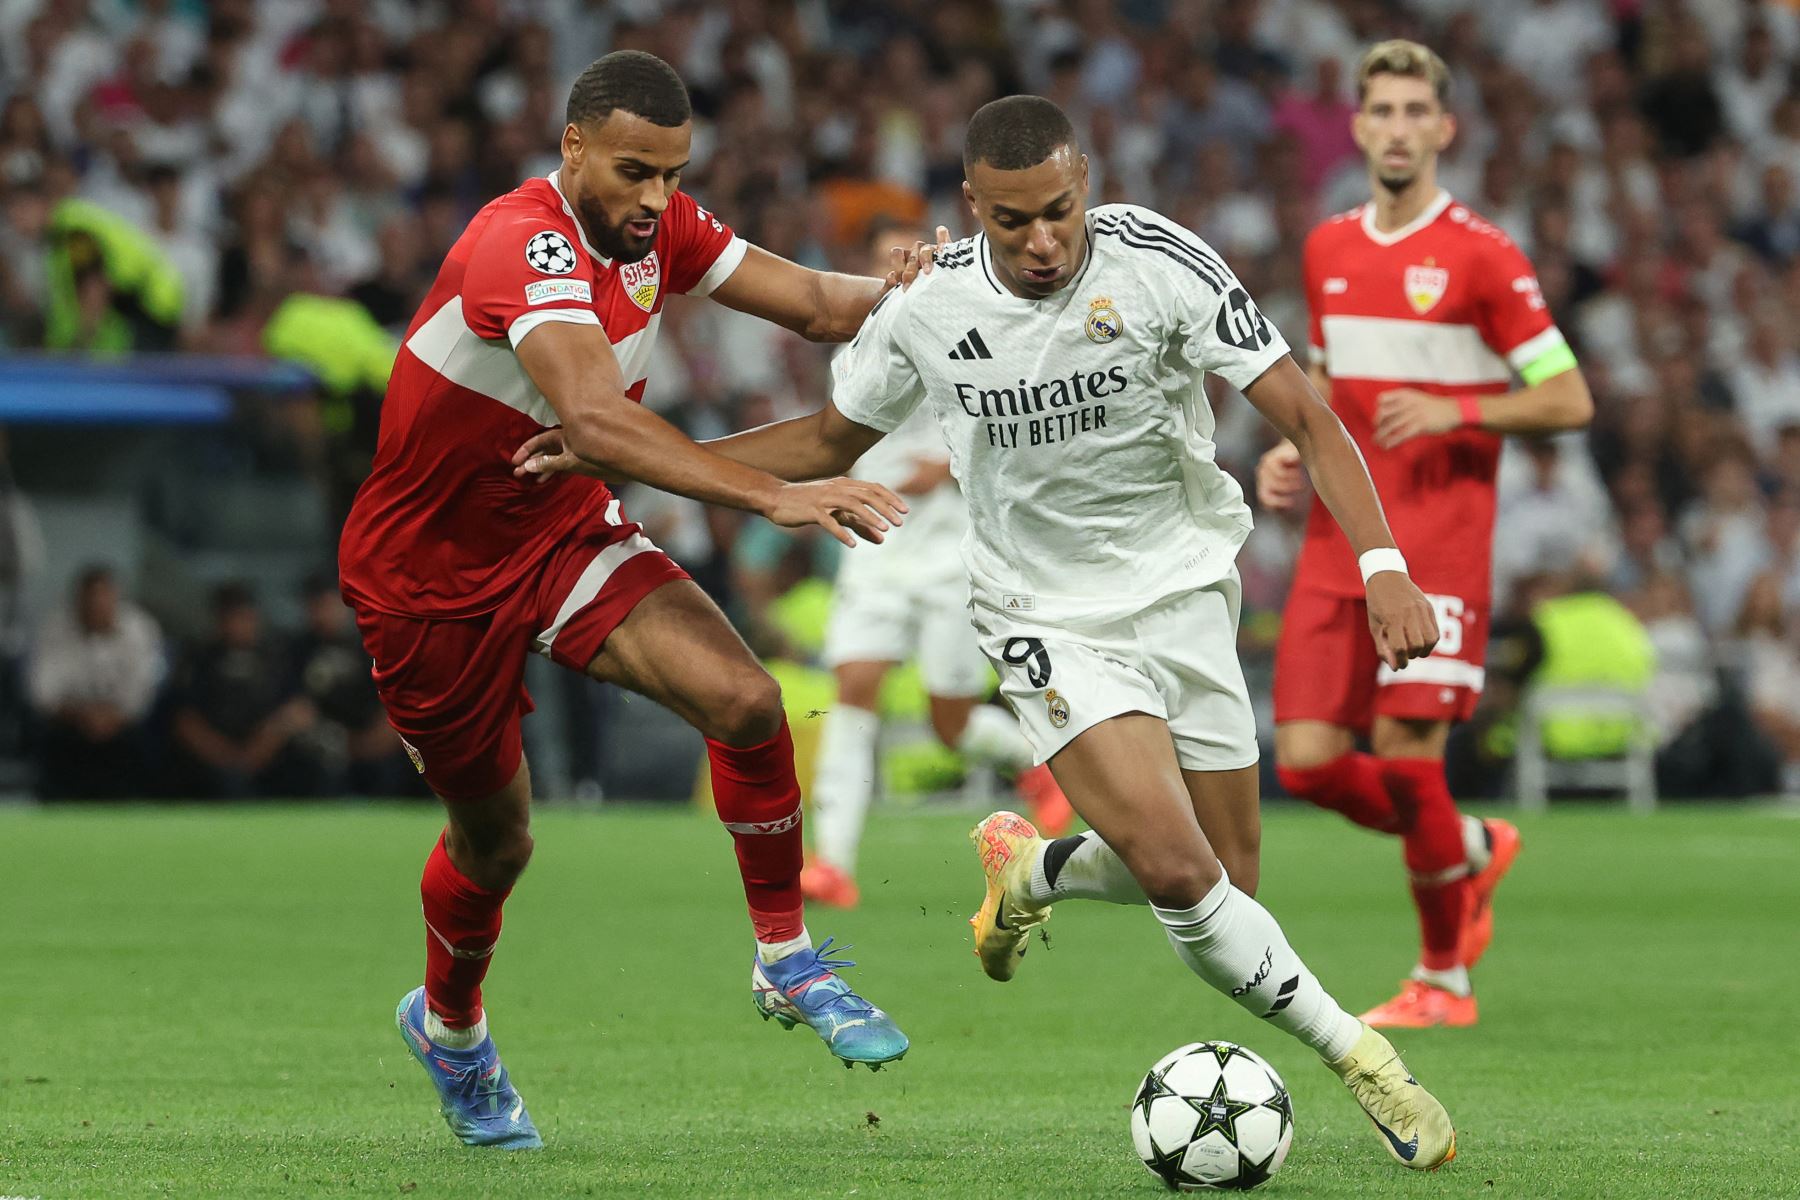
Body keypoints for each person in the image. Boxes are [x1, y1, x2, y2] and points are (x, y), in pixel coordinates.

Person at [529, 95, 1456, 1173]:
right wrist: (640, 452)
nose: (1042, 240)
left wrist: (1385, 565)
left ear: (1088, 184)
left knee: (1230, 875)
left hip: (1189, 591)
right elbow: (832, 436)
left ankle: (1041, 873)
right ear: (973, 207)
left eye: (1059, 211)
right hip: (1042, 613)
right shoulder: (928, 306)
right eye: (1012, 220)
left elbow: (1305, 415)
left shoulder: (1163, 263)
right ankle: (1365, 1061)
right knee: (1178, 872)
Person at [338, 51, 924, 1150]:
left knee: (745, 702)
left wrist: (918, 289)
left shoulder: (662, 229)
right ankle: (452, 1029)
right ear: (573, 151)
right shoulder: (524, 241)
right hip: (430, 581)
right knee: (497, 844)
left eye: (672, 173)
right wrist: (775, 494)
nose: (656, 200)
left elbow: (810, 302)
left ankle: (787, 960)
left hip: (556, 533)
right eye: (633, 172)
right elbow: (598, 423)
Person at [1257, 41, 1595, 1029]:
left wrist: (1460, 410)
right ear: (1358, 126)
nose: (1398, 128)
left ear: (1445, 129)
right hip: (1342, 540)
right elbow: (1321, 386)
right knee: (1312, 762)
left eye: (1417, 111)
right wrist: (1293, 447)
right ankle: (1472, 849)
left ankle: (1443, 978)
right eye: (1383, 111)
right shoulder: (1328, 248)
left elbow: (1570, 396)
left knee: (1409, 757)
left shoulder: (1483, 253)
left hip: (1439, 540)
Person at [802, 216, 1073, 911]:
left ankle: (1032, 764)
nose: (897, 265)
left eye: (908, 253)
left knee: (949, 723)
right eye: (881, 256)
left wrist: (948, 472)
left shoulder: (969, 330)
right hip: (875, 543)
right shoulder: (858, 336)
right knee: (853, 687)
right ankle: (831, 861)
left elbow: (1015, 427)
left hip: (951, 549)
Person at [168, 582, 321, 798]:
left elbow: (301, 709)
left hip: (270, 751)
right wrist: (227, 757)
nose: (241, 625)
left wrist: (264, 743)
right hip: (214, 755)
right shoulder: (199, 658)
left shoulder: (278, 655)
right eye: (233, 618)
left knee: (312, 763)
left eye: (247, 617)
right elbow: (184, 721)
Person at [27, 565, 162, 799]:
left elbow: (143, 691)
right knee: (46, 739)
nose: (97, 605)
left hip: (122, 724)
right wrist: (83, 716)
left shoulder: (140, 629)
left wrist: (110, 718)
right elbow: (43, 692)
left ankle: (134, 809)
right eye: (90, 598)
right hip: (70, 722)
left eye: (104, 597)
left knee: (146, 741)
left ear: (116, 598)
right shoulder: (54, 629)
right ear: (79, 599)